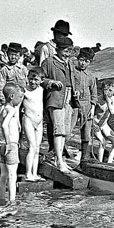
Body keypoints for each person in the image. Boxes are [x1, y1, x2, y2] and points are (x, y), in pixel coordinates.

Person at [40, 36, 76, 172]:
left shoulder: (69, 63)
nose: (68, 53)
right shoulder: (49, 62)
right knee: (58, 131)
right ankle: (59, 161)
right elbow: (40, 79)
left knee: (64, 132)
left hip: (67, 100)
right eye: (66, 50)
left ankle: (59, 158)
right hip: (55, 98)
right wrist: (51, 82)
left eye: (70, 50)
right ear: (58, 49)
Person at [38, 20, 72, 155]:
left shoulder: (67, 47)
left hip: (64, 90)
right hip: (51, 87)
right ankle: (53, 148)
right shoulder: (46, 48)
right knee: (52, 120)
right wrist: (49, 82)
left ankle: (62, 147)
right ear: (55, 33)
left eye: (65, 35)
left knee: (64, 122)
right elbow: (42, 70)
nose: (63, 37)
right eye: (61, 34)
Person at [0, 83, 24, 206]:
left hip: (1, 145)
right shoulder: (11, 110)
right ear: (11, 96)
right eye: (18, 97)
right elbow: (4, 125)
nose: (20, 99)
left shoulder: (2, 109)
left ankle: (1, 200)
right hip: (11, 146)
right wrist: (9, 143)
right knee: (12, 175)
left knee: (3, 175)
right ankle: (12, 201)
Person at [71, 47, 98, 162]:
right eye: (81, 60)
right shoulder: (72, 72)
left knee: (86, 132)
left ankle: (84, 157)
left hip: (86, 106)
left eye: (87, 61)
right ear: (78, 58)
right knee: (68, 129)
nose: (83, 63)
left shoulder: (91, 76)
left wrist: (92, 108)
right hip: (73, 105)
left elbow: (94, 94)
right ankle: (60, 152)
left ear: (90, 62)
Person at [22, 67, 46, 182]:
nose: (33, 82)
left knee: (37, 148)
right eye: (31, 79)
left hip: (39, 122)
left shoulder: (41, 90)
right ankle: (28, 174)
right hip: (28, 120)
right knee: (32, 147)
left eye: (36, 80)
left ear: (41, 80)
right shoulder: (24, 90)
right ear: (27, 78)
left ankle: (35, 173)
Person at [93, 82, 114, 163]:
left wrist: (108, 102)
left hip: (104, 124)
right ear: (102, 90)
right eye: (105, 90)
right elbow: (91, 114)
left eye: (110, 90)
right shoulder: (98, 99)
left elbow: (112, 111)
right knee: (102, 141)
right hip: (95, 123)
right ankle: (99, 162)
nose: (108, 92)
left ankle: (109, 162)